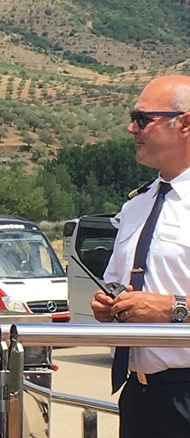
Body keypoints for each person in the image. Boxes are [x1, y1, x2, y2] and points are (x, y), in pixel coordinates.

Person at [90, 75, 190, 438]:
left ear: (185, 123)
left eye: (142, 118)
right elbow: (117, 282)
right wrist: (108, 304)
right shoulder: (137, 204)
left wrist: (174, 309)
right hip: (139, 395)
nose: (131, 128)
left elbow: (167, 305)